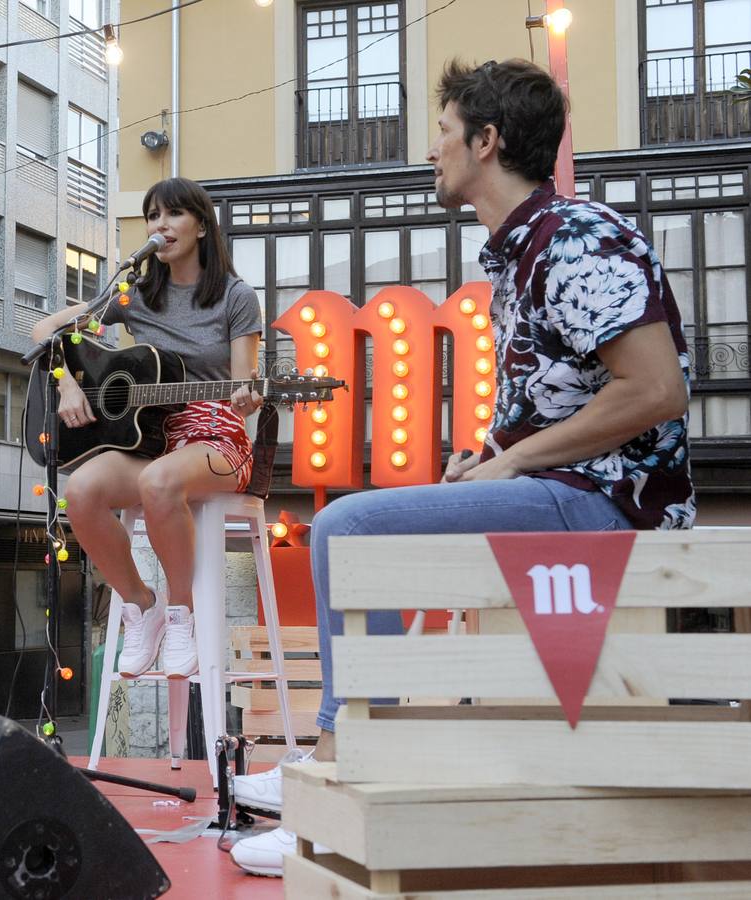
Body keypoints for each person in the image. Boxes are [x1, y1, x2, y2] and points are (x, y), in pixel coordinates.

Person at [230, 58, 694, 878]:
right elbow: (562, 392)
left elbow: (656, 389)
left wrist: (510, 461)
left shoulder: (580, 240)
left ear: (486, 141)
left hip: (609, 502)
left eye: (442, 133)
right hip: (557, 487)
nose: (430, 151)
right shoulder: (518, 254)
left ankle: (345, 759)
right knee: (369, 525)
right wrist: (487, 455)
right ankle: (364, 757)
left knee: (345, 525)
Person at [29, 177, 264, 680]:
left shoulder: (235, 297)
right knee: (83, 491)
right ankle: (142, 604)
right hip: (152, 437)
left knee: (158, 484)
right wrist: (68, 384)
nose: (161, 226)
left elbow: (245, 385)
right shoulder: (134, 297)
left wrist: (248, 396)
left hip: (216, 436)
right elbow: (44, 330)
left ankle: (183, 614)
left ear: (201, 225)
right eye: (153, 215)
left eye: (173, 214)